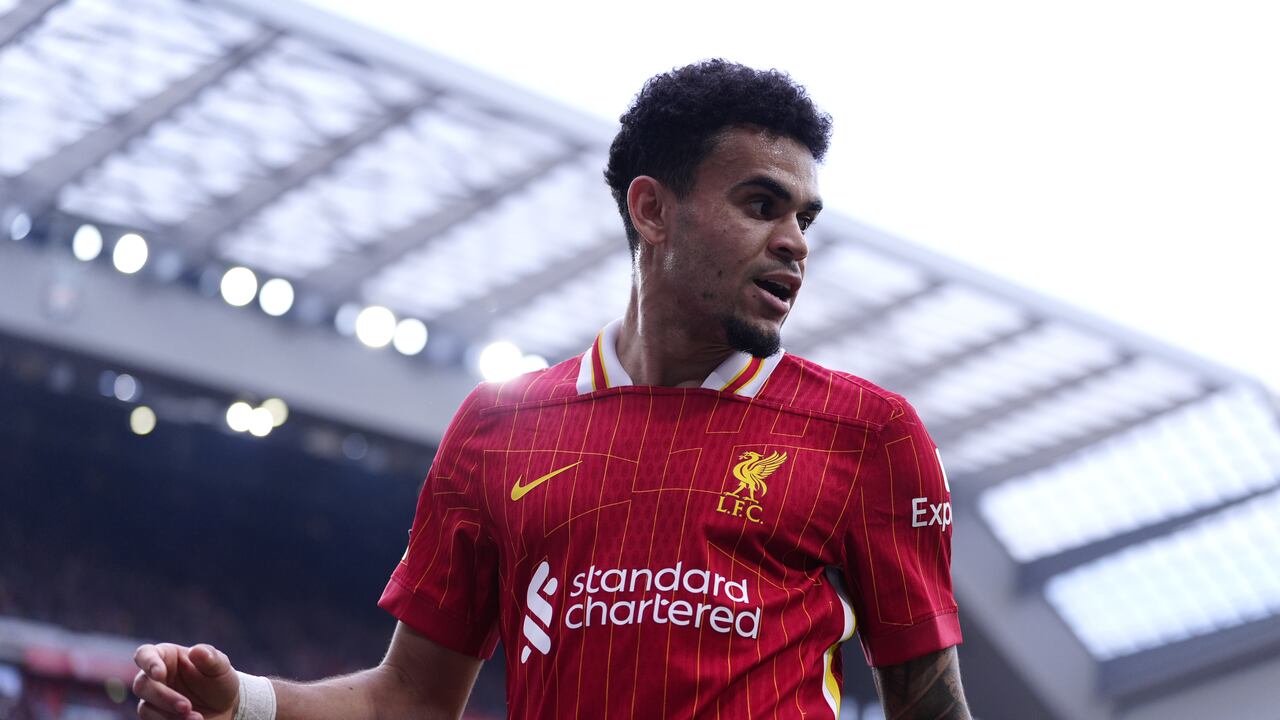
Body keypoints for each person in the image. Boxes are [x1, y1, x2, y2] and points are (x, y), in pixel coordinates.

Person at [132, 59, 971, 720]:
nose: (794, 243)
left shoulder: (867, 434)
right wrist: (240, 700)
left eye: (805, 218)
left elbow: (931, 711)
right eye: (762, 204)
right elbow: (410, 699)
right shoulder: (500, 427)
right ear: (652, 209)